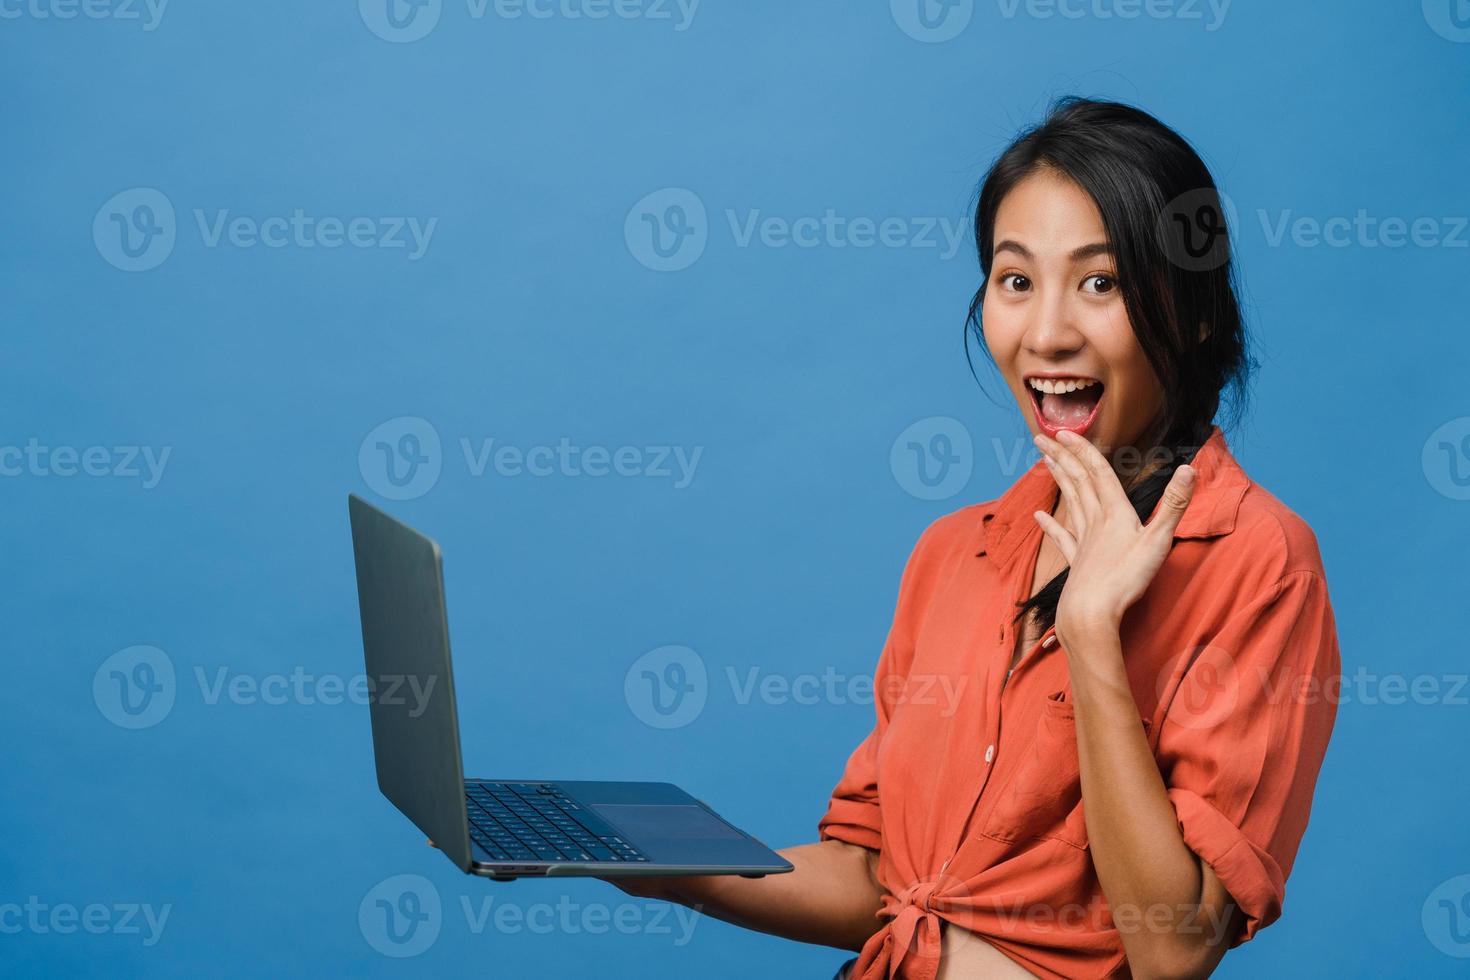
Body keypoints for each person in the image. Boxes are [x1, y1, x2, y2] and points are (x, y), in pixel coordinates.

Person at [606, 97, 1342, 979]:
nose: (1047, 333)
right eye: (1016, 280)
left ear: (1193, 315)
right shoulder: (954, 553)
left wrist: (1091, 635)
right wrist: (676, 875)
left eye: (1100, 283)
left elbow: (1175, 948)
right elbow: (882, 883)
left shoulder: (1259, 563)